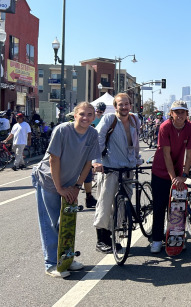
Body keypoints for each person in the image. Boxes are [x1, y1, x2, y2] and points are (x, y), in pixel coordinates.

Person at [31, 102, 99, 278]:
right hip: (48, 180)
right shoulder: (62, 130)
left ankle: (66, 259)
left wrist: (77, 187)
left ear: (94, 117)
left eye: (90, 114)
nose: (86, 117)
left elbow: (88, 164)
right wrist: (59, 188)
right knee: (50, 223)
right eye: (82, 114)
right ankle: (51, 263)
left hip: (70, 184)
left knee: (67, 223)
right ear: (74, 115)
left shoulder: (92, 133)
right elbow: (54, 159)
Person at [92, 93, 143, 254]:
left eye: (127, 104)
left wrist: (137, 159)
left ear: (130, 105)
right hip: (110, 167)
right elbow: (98, 139)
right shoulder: (109, 120)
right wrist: (96, 161)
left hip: (128, 167)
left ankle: (114, 233)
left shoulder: (135, 120)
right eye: (121, 104)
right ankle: (101, 239)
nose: (124, 107)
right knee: (105, 202)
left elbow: (135, 142)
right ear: (115, 106)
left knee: (124, 201)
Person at [150, 100, 191, 254]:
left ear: (187, 114)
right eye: (176, 112)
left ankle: (176, 237)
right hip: (160, 170)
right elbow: (166, 154)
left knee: (177, 208)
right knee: (160, 206)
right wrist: (173, 178)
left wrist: (184, 175)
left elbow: (189, 154)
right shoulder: (165, 126)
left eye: (182, 112)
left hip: (178, 171)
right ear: (171, 114)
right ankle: (157, 239)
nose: (179, 115)